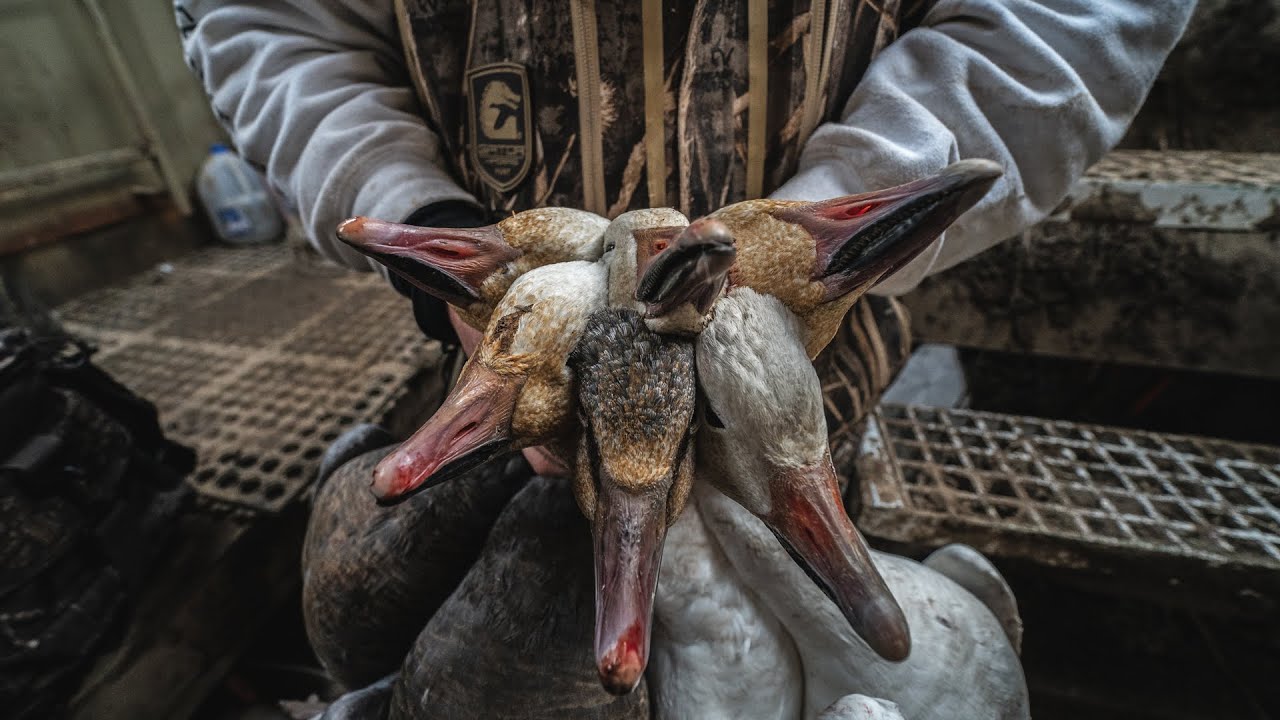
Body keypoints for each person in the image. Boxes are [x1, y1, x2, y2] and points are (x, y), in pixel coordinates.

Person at [176, 1, 1192, 467]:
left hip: (825, 392)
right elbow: (271, 19)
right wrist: (421, 219)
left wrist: (843, 214)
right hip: (504, 386)